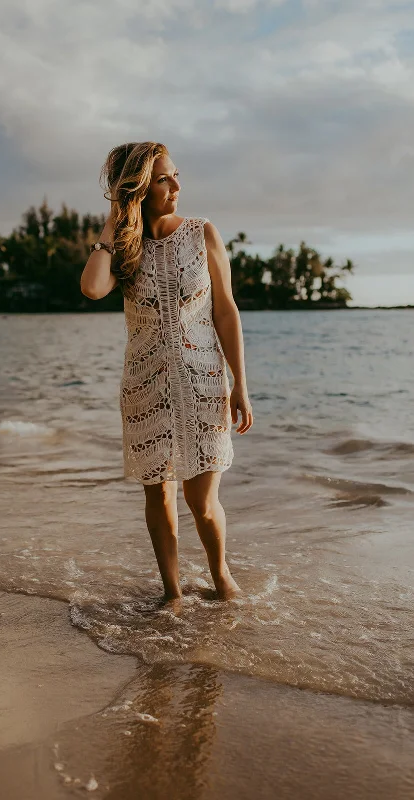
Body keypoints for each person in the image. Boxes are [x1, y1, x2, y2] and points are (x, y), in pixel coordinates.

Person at [81, 142, 253, 602]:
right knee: (157, 497)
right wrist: (114, 221)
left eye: (176, 174)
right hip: (145, 386)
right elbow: (93, 288)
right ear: (137, 188)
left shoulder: (202, 233)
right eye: (163, 178)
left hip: (203, 383)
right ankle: (172, 593)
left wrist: (241, 383)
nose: (176, 185)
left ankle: (221, 578)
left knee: (201, 502)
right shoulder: (123, 247)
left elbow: (226, 312)